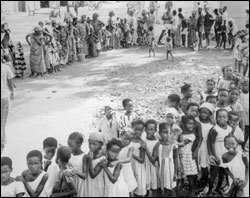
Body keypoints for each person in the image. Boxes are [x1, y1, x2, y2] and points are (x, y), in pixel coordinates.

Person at [144, 122, 177, 197]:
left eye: (169, 132)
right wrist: (146, 149)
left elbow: (175, 158)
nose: (167, 135)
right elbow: (153, 160)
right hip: (161, 171)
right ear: (159, 133)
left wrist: (176, 171)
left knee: (171, 190)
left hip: (170, 171)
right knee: (163, 189)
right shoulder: (158, 145)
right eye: (164, 132)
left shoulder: (173, 145)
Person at [207, 109, 232, 196]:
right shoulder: (215, 130)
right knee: (213, 173)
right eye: (219, 117)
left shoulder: (229, 129)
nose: (222, 119)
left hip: (225, 154)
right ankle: (210, 190)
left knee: (222, 172)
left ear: (227, 118)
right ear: (216, 118)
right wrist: (214, 155)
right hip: (217, 154)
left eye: (224, 117)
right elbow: (211, 143)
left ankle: (218, 187)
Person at [179, 116, 198, 197]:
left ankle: (192, 190)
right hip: (181, 155)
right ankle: (180, 188)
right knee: (181, 172)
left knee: (191, 174)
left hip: (188, 156)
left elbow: (183, 143)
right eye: (189, 124)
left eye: (192, 124)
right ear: (183, 124)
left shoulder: (192, 135)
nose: (191, 126)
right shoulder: (181, 134)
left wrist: (172, 142)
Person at [197, 103, 215, 190]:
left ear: (210, 114)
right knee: (196, 163)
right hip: (196, 145)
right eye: (202, 112)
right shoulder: (196, 121)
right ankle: (197, 179)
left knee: (204, 165)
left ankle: (205, 180)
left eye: (206, 113)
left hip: (205, 147)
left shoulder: (212, 125)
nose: (203, 114)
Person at [67, 132, 88, 197]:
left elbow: (85, 176)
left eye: (72, 146)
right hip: (71, 185)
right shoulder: (69, 156)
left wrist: (76, 172)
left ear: (79, 145)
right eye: (68, 145)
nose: (69, 148)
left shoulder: (84, 156)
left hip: (80, 186)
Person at [143, 120, 160, 197]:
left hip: (152, 167)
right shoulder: (143, 140)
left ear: (155, 130)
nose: (149, 131)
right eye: (147, 129)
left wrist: (146, 148)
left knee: (154, 186)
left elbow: (153, 160)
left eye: (152, 129)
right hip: (144, 166)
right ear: (145, 129)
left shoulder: (156, 142)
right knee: (145, 187)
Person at [130, 120, 147, 197]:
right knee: (128, 186)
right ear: (131, 128)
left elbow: (142, 160)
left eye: (140, 130)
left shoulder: (142, 143)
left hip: (137, 167)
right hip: (128, 166)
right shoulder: (127, 140)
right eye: (136, 129)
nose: (138, 132)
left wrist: (132, 154)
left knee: (138, 186)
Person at [118, 130, 137, 195]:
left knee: (127, 186)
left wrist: (117, 161)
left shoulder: (130, 147)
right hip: (118, 168)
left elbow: (128, 158)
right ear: (121, 136)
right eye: (125, 139)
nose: (127, 141)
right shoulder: (116, 145)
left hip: (126, 169)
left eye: (129, 140)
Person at [1, 62, 14, 153]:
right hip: (4, 97)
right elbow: (10, 82)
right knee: (2, 121)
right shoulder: (6, 68)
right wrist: (12, 92)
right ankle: (2, 141)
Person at [87, 132, 106, 197]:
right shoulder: (90, 153)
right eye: (90, 143)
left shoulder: (102, 158)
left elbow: (93, 175)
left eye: (94, 144)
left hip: (98, 185)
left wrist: (89, 160)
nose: (91, 146)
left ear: (101, 145)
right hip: (89, 183)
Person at [239, 79, 249, 147]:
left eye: (247, 86)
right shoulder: (239, 94)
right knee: (240, 130)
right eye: (244, 85)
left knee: (247, 131)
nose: (246, 87)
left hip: (248, 116)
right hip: (240, 115)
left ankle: (244, 145)